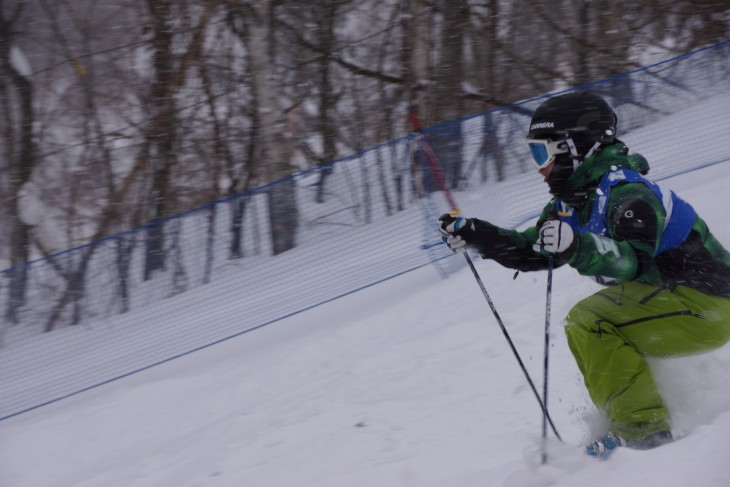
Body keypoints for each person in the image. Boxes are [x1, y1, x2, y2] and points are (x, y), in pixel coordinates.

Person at [438, 92, 730, 457]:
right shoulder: (574, 201)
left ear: (575, 148)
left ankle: (645, 435)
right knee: (588, 324)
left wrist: (577, 246)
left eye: (542, 153)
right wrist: (476, 234)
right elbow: (532, 251)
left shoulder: (628, 194)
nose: (539, 168)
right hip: (672, 303)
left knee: (591, 321)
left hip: (710, 306)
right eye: (534, 155)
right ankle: (638, 423)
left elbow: (633, 260)